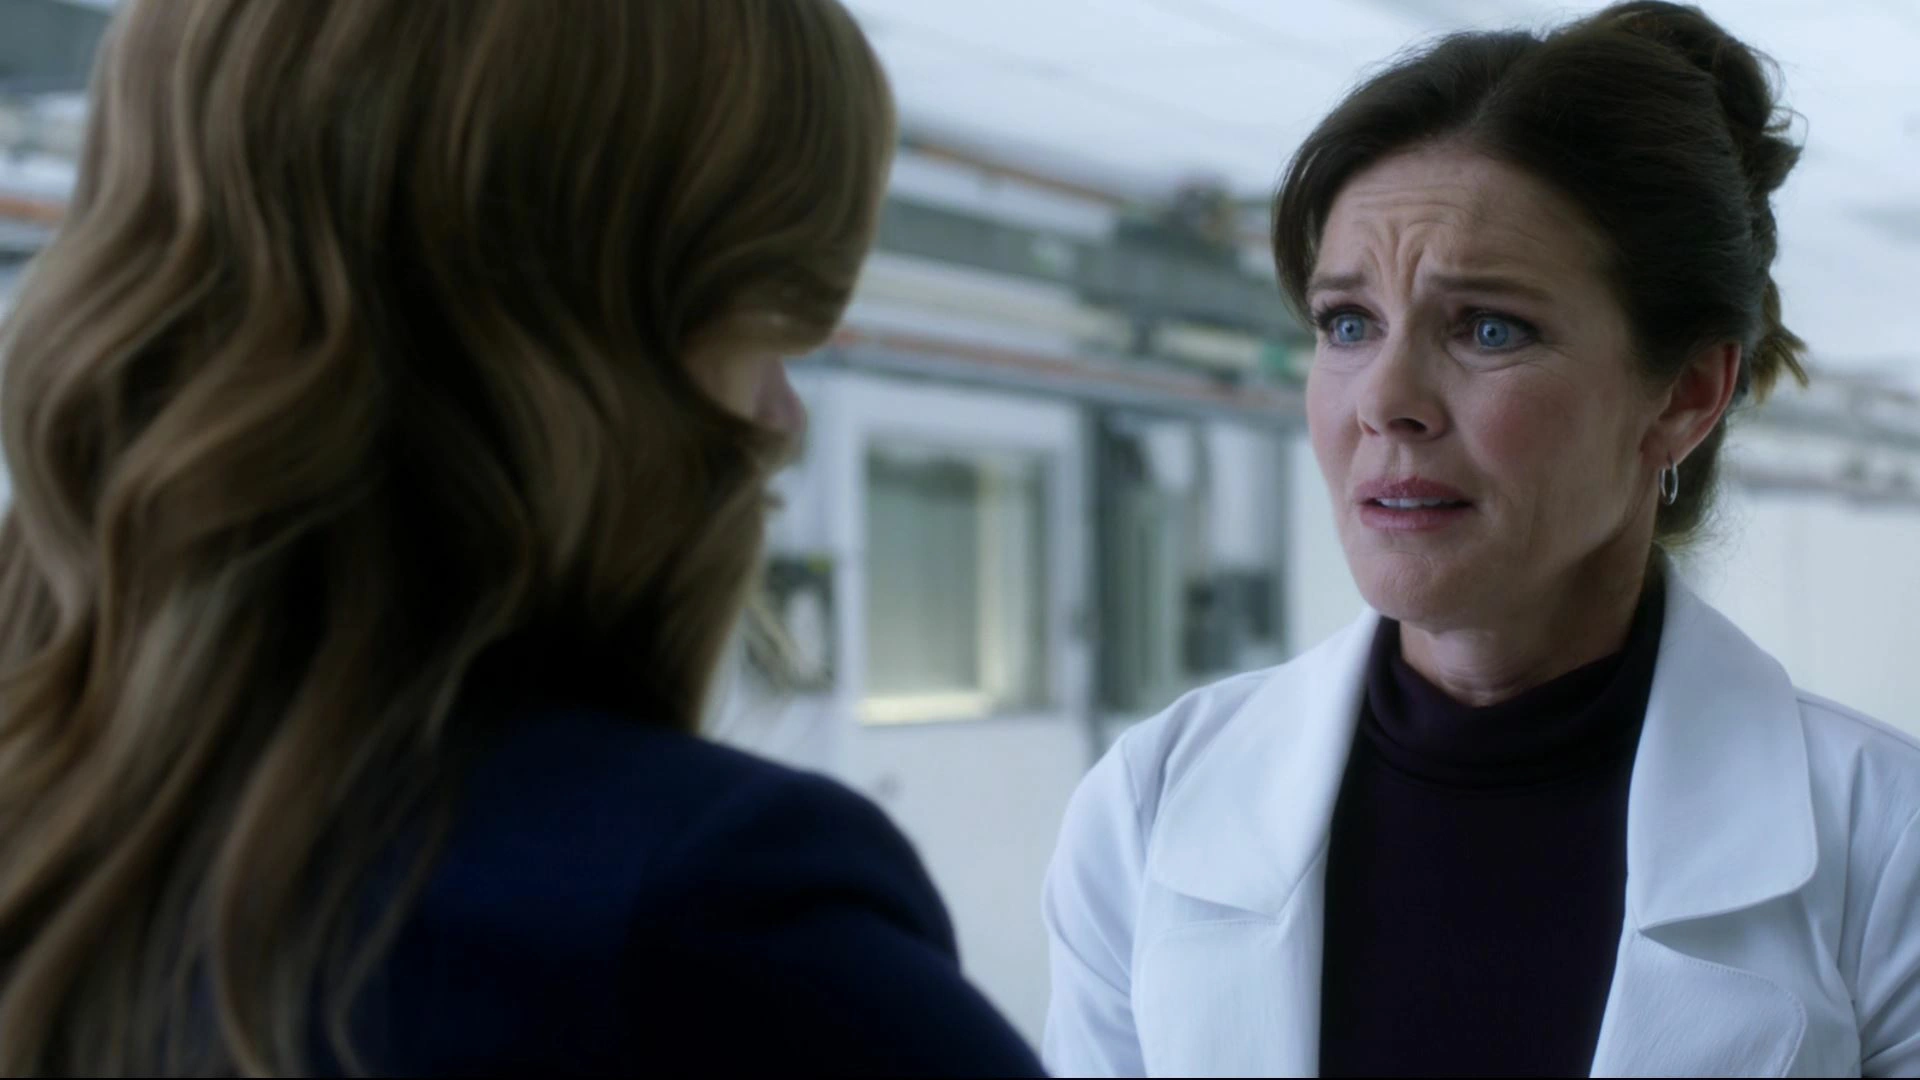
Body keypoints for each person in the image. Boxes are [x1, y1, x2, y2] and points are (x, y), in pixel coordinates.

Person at [0, 1, 1043, 1075]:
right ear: (586, 344)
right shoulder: (690, 920)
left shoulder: (60, 872)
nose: (781, 421)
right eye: (762, 329)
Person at [1042, 3, 1920, 1076]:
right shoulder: (1147, 805)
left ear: (1684, 394)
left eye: (1488, 328)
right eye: (1348, 324)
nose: (1386, 402)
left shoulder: (1888, 844)